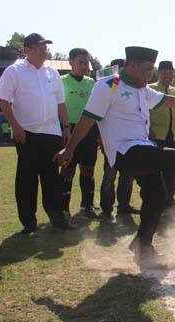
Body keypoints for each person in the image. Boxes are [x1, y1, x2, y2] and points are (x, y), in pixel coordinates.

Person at [54, 46, 175, 267]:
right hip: (123, 152)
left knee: (157, 196)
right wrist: (69, 149)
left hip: (142, 148)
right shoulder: (109, 86)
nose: (150, 75)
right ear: (133, 65)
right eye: (147, 70)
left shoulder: (143, 89)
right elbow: (87, 119)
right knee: (172, 158)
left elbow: (166, 100)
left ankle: (142, 245)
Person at [0, 33, 73, 234]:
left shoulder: (52, 74)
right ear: (27, 50)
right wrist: (15, 126)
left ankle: (56, 216)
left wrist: (66, 127)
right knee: (27, 178)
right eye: (40, 47)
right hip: (27, 132)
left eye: (46, 48)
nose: (45, 51)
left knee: (52, 177)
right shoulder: (14, 71)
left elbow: (60, 102)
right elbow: (2, 99)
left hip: (52, 132)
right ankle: (28, 221)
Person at [60, 48, 102, 219]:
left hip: (89, 130)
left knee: (88, 169)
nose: (84, 65)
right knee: (67, 169)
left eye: (86, 62)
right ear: (71, 62)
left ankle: (87, 206)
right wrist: (64, 128)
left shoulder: (91, 83)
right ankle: (63, 208)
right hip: (69, 129)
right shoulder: (61, 81)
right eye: (80, 62)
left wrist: (99, 133)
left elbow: (98, 109)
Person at [98, 58, 139, 219]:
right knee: (109, 175)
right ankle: (106, 208)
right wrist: (101, 138)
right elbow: (99, 115)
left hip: (129, 142)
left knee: (127, 176)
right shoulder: (110, 86)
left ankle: (124, 205)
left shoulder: (133, 88)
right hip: (112, 141)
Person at [148, 61, 175, 209]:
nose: (168, 76)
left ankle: (170, 200)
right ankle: (158, 200)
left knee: (174, 168)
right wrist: (148, 130)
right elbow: (144, 113)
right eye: (164, 73)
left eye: (170, 73)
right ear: (158, 73)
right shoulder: (150, 89)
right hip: (157, 136)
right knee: (158, 170)